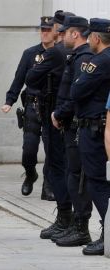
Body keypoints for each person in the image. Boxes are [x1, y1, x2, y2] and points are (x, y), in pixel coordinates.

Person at [25, 11, 71, 240]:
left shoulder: (55, 53)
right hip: (70, 117)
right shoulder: (83, 53)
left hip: (55, 115)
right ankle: (71, 220)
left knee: (57, 167)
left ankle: (66, 219)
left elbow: (32, 78)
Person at [1, 16, 55, 201]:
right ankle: (30, 173)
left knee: (52, 149)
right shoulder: (30, 53)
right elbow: (19, 78)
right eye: (42, 29)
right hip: (32, 105)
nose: (44, 33)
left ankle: (48, 186)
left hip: (52, 107)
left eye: (48, 30)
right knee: (29, 150)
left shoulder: (60, 53)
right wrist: (10, 100)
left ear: (56, 31)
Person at [50, 16, 93, 247]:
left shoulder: (83, 58)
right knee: (71, 174)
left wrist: (60, 113)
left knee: (77, 178)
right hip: (70, 124)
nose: (61, 36)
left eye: (65, 33)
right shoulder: (76, 57)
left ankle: (81, 227)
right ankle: (74, 224)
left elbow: (77, 94)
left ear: (75, 34)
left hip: (75, 125)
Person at [70, 18, 110, 256]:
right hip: (99, 126)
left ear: (95, 38)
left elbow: (76, 90)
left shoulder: (100, 61)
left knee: (96, 181)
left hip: (95, 129)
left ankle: (108, 233)